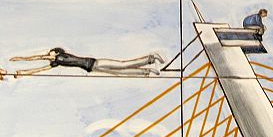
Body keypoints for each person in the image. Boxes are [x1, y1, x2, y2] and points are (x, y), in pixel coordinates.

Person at [10, 48, 164, 78]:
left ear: (55, 52)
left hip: (95, 62)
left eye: (50, 53)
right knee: (119, 73)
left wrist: (22, 59)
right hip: (91, 69)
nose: (48, 55)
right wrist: (23, 72)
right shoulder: (57, 63)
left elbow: (38, 58)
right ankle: (147, 71)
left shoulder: (61, 56)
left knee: (123, 65)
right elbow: (40, 70)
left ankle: (151, 58)